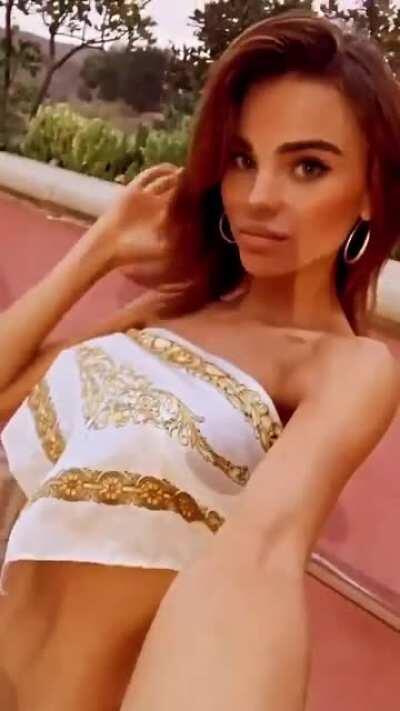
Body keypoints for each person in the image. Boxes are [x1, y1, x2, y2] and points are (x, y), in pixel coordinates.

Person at [0, 12, 400, 711]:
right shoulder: (170, 312)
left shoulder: (344, 367)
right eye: (243, 159)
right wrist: (99, 249)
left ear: (372, 191)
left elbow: (260, 553)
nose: (259, 197)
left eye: (308, 166)